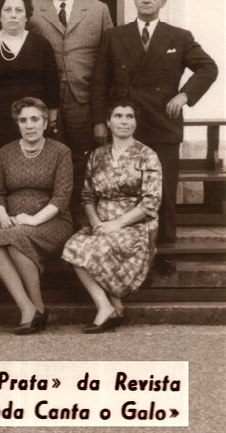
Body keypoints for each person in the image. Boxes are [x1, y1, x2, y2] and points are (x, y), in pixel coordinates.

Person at [91, 0, 218, 250]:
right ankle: (129, 251)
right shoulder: (115, 36)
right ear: (134, 0)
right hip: (125, 126)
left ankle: (165, 251)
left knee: (164, 191)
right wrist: (100, 121)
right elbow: (100, 81)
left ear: (162, 1)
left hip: (162, 125)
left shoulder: (179, 36)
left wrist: (184, 95)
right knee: (126, 191)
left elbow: (208, 68)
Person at [62, 101, 162, 332]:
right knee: (73, 247)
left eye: (129, 116)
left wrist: (116, 224)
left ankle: (107, 308)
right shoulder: (97, 155)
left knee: (97, 248)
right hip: (102, 224)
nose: (124, 121)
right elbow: (87, 196)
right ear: (108, 122)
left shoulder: (147, 155)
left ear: (136, 122)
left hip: (135, 226)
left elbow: (150, 203)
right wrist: (96, 222)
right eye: (118, 116)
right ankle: (111, 306)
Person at [0, 97, 74, 334]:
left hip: (52, 219)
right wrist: (3, 216)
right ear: (17, 124)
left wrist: (33, 220)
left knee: (16, 239)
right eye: (23, 120)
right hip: (13, 218)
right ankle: (27, 307)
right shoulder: (5, 152)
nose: (29, 125)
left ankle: (38, 307)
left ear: (45, 122)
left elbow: (61, 197)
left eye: (35, 119)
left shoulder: (60, 151)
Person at [30, 0, 114, 207]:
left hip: (83, 97)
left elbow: (110, 57)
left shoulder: (98, 9)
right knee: (48, 157)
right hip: (44, 99)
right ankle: (53, 214)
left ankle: (80, 212)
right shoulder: (32, 8)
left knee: (83, 157)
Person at [0, 0, 60, 175]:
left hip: (33, 122)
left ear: (27, 16)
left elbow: (52, 86)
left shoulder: (41, 44)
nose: (13, 15)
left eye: (19, 10)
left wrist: (50, 122)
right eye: (7, 10)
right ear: (0, 14)